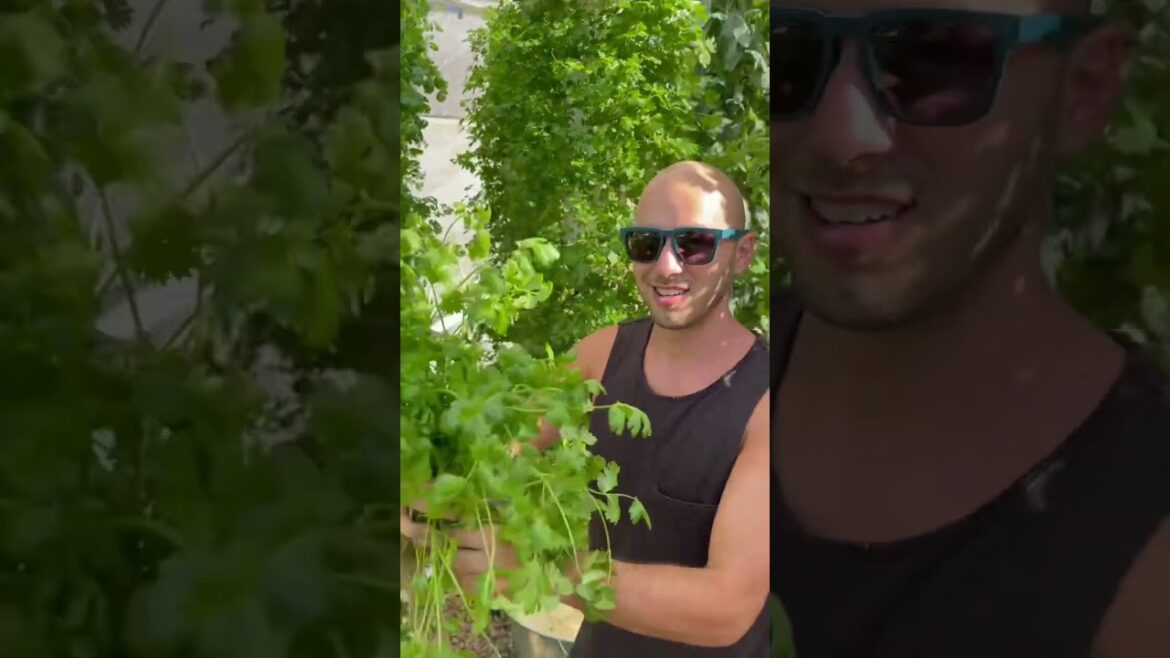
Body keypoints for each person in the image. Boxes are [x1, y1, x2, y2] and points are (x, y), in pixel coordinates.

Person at [770, 1, 1170, 657]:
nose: (842, 138)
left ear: (1083, 92)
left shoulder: (1147, 559)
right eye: (788, 54)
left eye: (933, 58)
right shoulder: (668, 389)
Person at [401, 161, 772, 656]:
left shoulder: (768, 400)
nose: (666, 266)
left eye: (694, 244)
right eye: (646, 243)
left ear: (742, 253)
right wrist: (424, 488)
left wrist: (536, 567)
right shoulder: (602, 353)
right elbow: (498, 452)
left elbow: (726, 608)